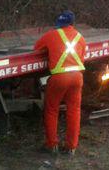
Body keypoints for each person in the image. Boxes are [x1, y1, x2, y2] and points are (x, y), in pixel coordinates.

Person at [34, 10, 86, 155]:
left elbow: (36, 48)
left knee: (52, 110)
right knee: (74, 110)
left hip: (59, 78)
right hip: (77, 77)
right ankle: (72, 147)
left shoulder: (51, 35)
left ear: (59, 24)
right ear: (73, 23)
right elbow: (82, 58)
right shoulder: (80, 38)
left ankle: (52, 145)